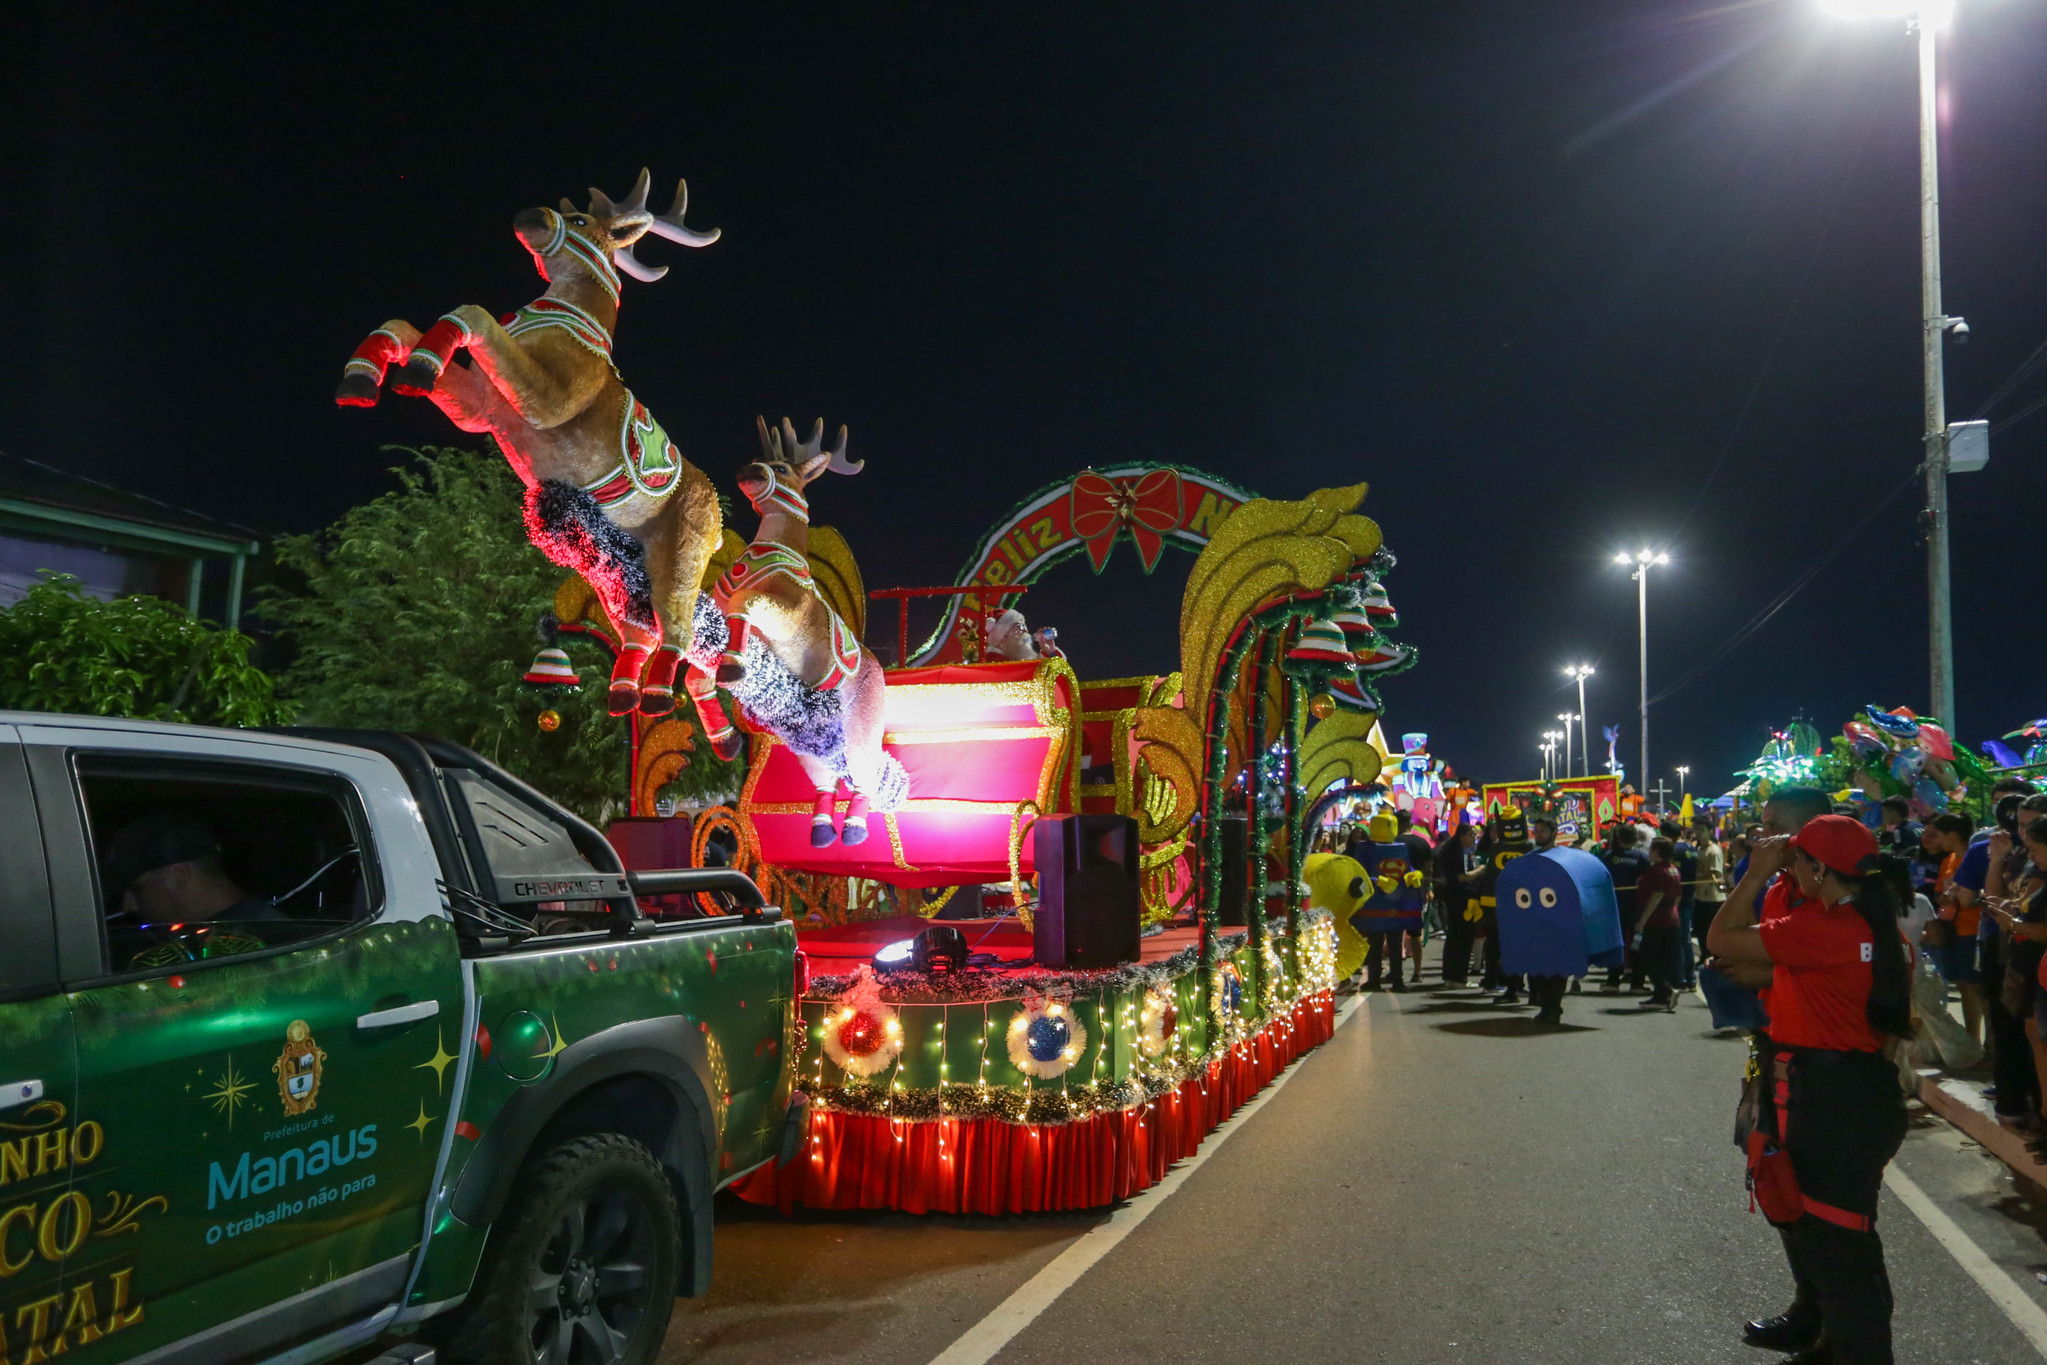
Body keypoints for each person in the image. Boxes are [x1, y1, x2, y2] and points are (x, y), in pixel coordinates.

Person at [1707, 815, 1913, 1364]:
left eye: (1796, 856)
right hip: (1844, 1087)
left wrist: (1751, 875)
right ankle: (1832, 1340)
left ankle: (1858, 1352)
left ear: (1820, 869)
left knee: (1838, 1243)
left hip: (1828, 1098)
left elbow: (1720, 936)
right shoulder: (1864, 924)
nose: (1786, 862)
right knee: (1827, 1232)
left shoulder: (1827, 927)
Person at [102, 813, 274, 969]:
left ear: (179, 875)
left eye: (136, 890)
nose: (128, 906)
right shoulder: (237, 932)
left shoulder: (265, 945)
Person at [1923, 812, 1986, 1047]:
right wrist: (1944, 897)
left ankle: (1983, 1042)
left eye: (1938, 835)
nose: (1936, 841)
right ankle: (1972, 1040)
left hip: (1972, 929)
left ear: (1952, 835)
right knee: (1961, 983)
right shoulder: (1948, 861)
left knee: (1974, 987)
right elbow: (1940, 892)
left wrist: (1963, 896)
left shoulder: (1976, 857)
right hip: (1952, 929)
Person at [1632, 837, 1685, 1011]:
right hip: (1671, 918)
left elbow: (1656, 896)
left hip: (1657, 919)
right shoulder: (1673, 870)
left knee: (1647, 956)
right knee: (1663, 958)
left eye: (1651, 850)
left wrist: (1642, 920)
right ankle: (1661, 994)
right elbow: (1678, 895)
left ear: (1656, 851)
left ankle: (1664, 990)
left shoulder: (1657, 871)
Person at [1602, 824, 1650, 991]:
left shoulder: (1608, 857)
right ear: (1636, 839)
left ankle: (1612, 980)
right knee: (1638, 943)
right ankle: (1637, 982)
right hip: (1637, 907)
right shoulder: (1642, 858)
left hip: (1613, 907)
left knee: (1616, 942)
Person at [1435, 820, 1482, 986]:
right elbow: (1464, 876)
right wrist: (1482, 869)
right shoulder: (1460, 853)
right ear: (1461, 836)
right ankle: (1459, 977)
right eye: (1470, 835)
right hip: (1462, 899)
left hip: (1453, 898)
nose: (1473, 839)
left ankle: (1450, 977)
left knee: (1453, 938)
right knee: (1463, 938)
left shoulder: (1449, 851)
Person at [1694, 823, 1727, 967]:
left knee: (1709, 931)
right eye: (1696, 830)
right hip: (1700, 897)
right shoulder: (1698, 850)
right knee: (1701, 930)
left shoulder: (1714, 851)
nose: (1698, 833)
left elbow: (1716, 874)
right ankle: (1704, 956)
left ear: (1710, 831)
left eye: (1701, 830)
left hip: (1713, 898)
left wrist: (1698, 876)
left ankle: (1713, 958)